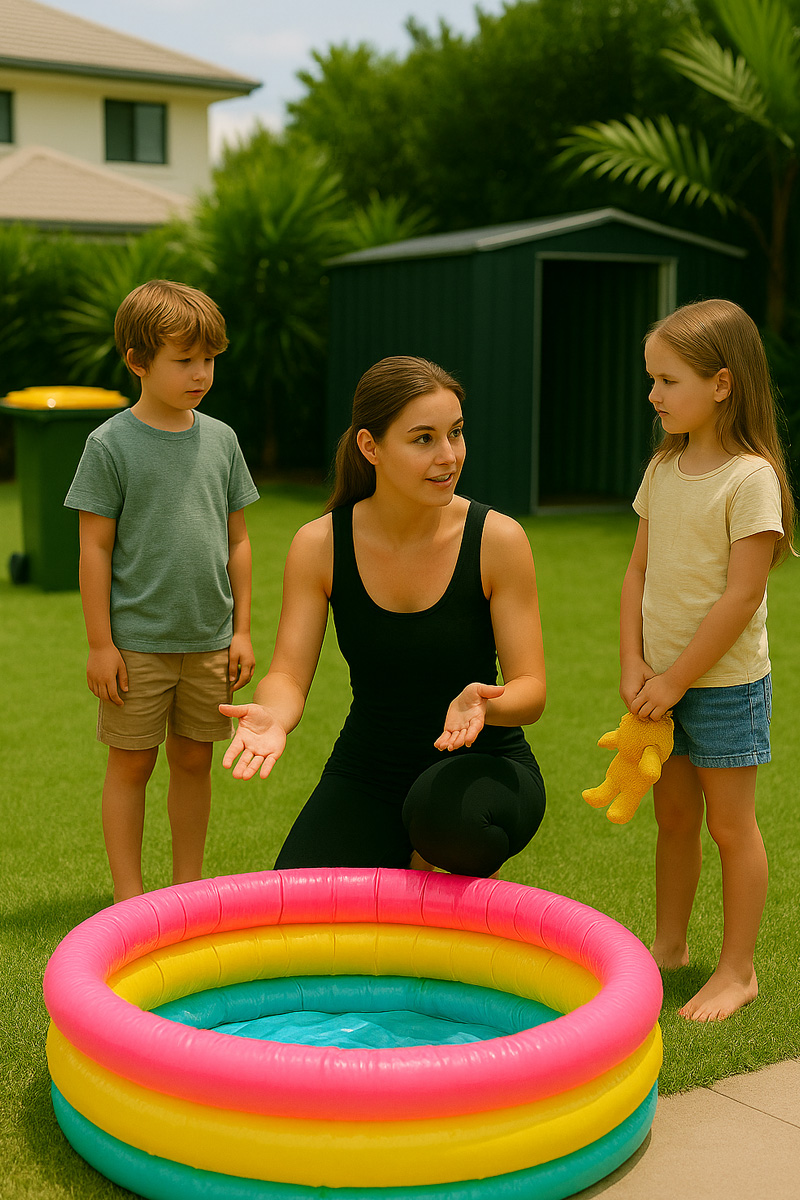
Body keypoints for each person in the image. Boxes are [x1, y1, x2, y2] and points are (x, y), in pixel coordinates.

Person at [221, 355, 546, 878]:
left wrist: (484, 705)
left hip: (485, 769)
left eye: (456, 434)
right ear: (370, 447)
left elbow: (531, 690)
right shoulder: (320, 544)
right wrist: (274, 717)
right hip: (369, 771)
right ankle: (407, 864)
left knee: (444, 825)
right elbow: (286, 673)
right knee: (294, 901)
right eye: (424, 439)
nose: (449, 456)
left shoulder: (497, 539)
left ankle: (425, 860)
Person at [620, 298, 795, 1021]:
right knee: (674, 817)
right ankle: (669, 948)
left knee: (730, 826)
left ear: (721, 384)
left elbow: (740, 597)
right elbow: (638, 572)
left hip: (721, 688)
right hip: (661, 686)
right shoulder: (664, 468)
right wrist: (634, 666)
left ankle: (738, 969)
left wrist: (674, 679)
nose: (654, 394)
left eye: (668, 380)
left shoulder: (749, 479)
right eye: (652, 379)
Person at [65, 279, 260, 902]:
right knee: (131, 764)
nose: (200, 373)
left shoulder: (223, 440)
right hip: (138, 644)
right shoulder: (109, 445)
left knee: (195, 761)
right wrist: (102, 644)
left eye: (209, 359)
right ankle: (128, 898)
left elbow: (238, 542)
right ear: (138, 361)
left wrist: (243, 629)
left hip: (208, 641)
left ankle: (185, 890)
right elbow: (93, 547)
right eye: (185, 360)